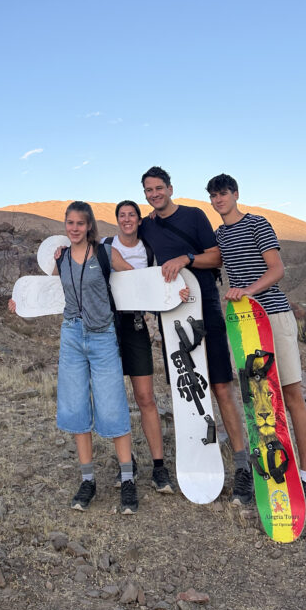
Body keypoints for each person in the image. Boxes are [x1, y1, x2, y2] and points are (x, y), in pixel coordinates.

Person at [8, 201, 139, 514]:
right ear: (65, 226)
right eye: (70, 223)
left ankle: (128, 480)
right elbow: (48, 293)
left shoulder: (107, 254)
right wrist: (20, 304)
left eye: (80, 223)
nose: (75, 228)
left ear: (90, 226)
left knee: (112, 404)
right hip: (71, 337)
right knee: (76, 405)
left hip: (103, 337)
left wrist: (173, 291)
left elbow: (138, 283)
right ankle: (88, 480)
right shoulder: (62, 258)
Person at [137, 166, 253, 504]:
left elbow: (217, 255)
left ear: (170, 188)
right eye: (149, 190)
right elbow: (125, 249)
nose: (154, 194)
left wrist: (186, 259)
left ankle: (243, 467)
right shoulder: (146, 226)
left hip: (207, 310)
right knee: (188, 389)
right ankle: (200, 462)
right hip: (173, 317)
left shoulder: (194, 216)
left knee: (220, 387)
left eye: (159, 188)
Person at [206, 173, 306, 510]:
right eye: (213, 196)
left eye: (223, 193)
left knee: (291, 394)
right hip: (244, 326)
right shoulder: (220, 235)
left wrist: (248, 292)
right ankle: (273, 475)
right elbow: (209, 261)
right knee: (261, 402)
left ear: (235, 194)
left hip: (273, 316)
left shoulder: (258, 224)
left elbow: (277, 269)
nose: (218, 200)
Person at [103, 199, 185, 494]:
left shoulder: (148, 250)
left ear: (139, 220)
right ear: (117, 220)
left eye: (131, 215)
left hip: (136, 326)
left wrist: (180, 292)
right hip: (108, 326)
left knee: (145, 397)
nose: (127, 219)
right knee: (115, 399)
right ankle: (128, 463)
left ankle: (159, 467)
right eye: (122, 215)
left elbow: (159, 284)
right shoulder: (104, 244)